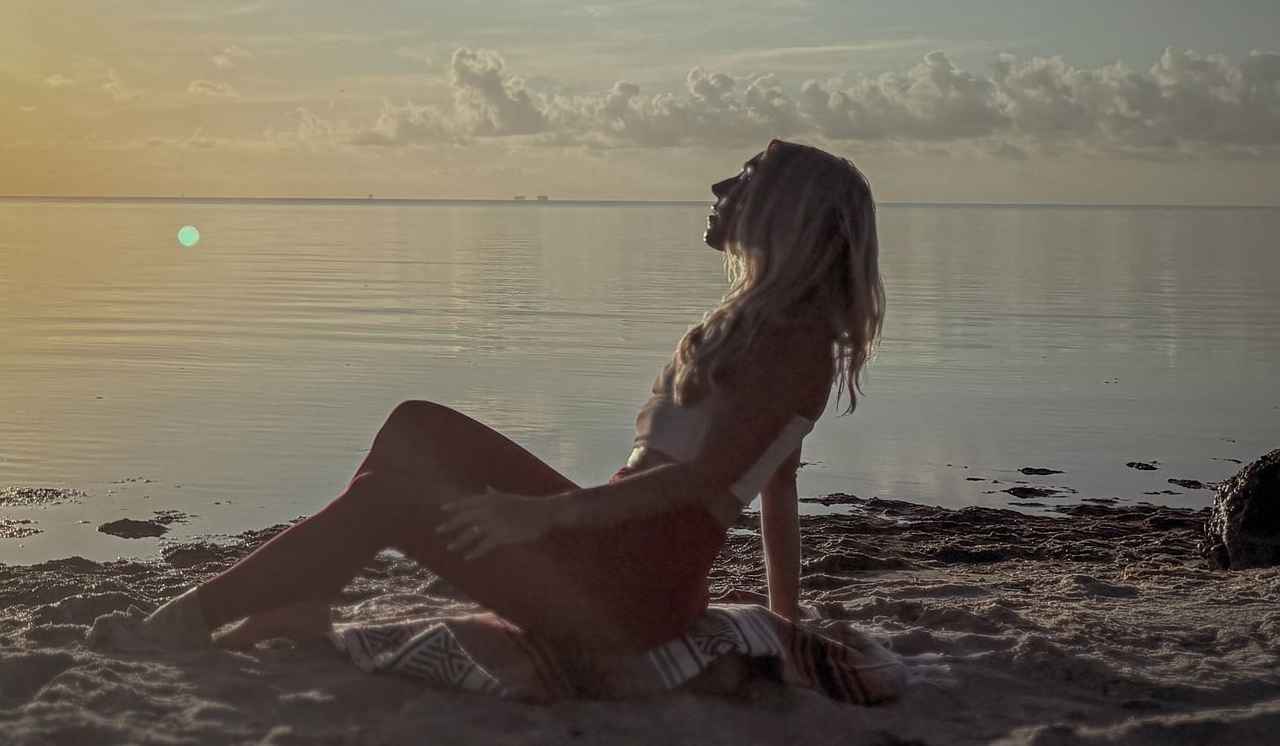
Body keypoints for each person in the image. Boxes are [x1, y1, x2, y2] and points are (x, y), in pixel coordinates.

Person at [91, 139, 884, 654]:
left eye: (743, 176)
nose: (719, 182)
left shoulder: (792, 343)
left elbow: (708, 483)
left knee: (387, 502)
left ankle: (182, 626)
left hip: (630, 593)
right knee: (417, 427)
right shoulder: (769, 328)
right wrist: (787, 623)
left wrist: (544, 514)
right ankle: (306, 601)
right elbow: (778, 489)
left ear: (785, 211)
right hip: (621, 554)